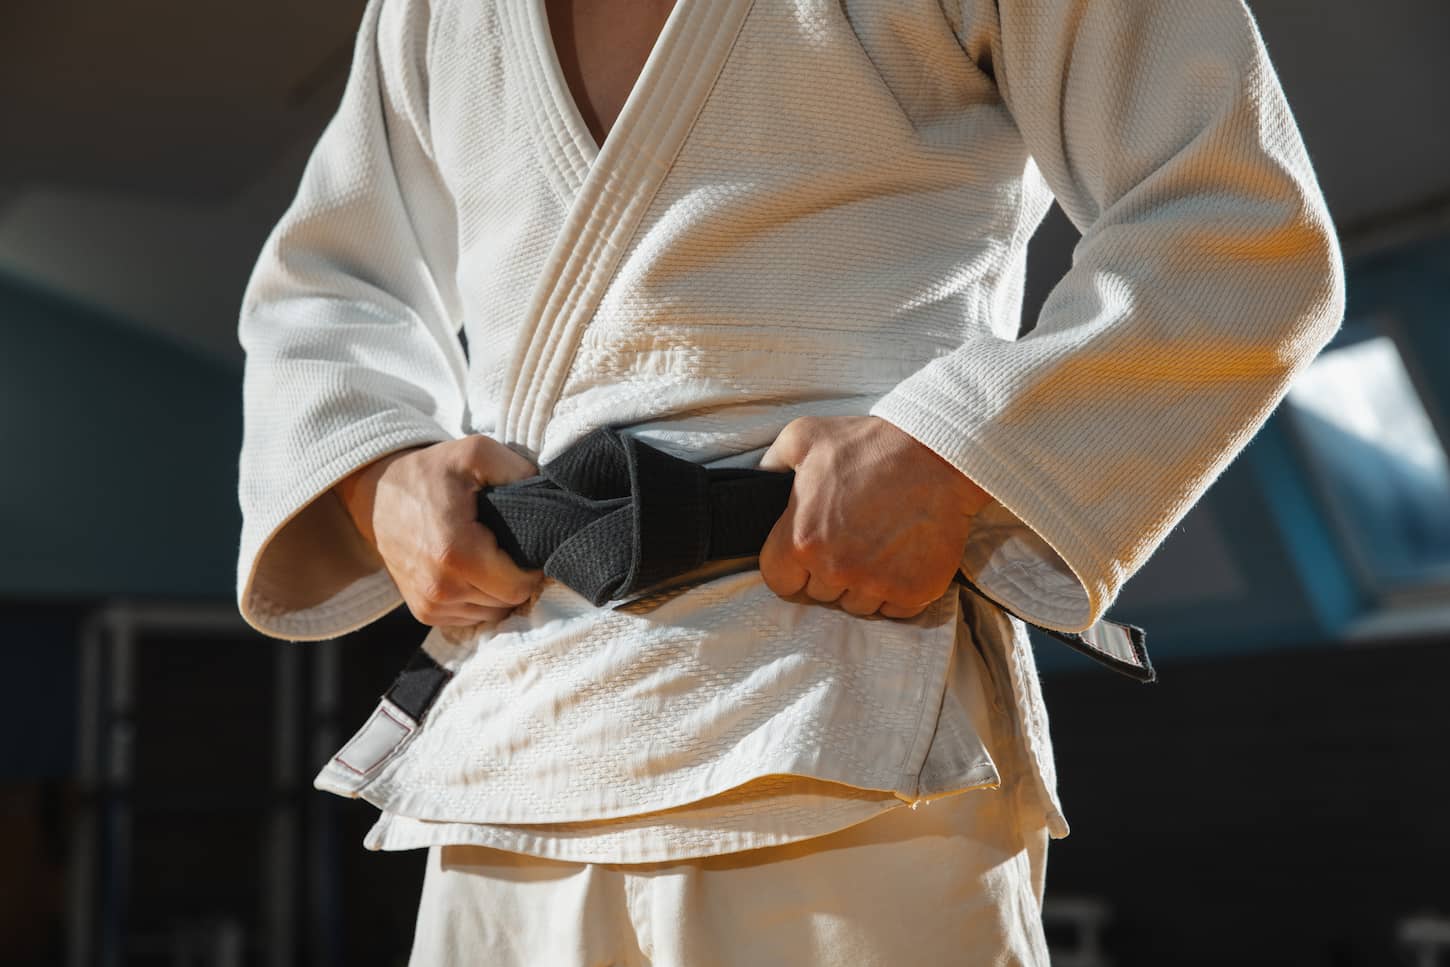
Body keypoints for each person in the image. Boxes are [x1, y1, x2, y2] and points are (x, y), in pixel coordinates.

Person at [235, 0, 1345, 962]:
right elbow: (324, 292)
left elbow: (1233, 221)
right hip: (510, 754)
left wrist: (960, 451)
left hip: (845, 730)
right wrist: (376, 475)